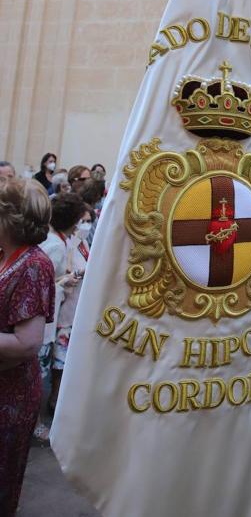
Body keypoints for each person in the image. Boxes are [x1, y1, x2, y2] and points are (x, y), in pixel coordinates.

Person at [0, 177, 55, 516]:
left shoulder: (35, 264)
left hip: (10, 393)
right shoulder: (6, 252)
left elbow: (27, 342)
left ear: (8, 218)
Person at [39, 193, 86, 415]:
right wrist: (65, 282)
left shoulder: (57, 239)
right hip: (48, 317)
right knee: (40, 373)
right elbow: (42, 284)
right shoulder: (56, 245)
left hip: (55, 313)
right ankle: (35, 421)